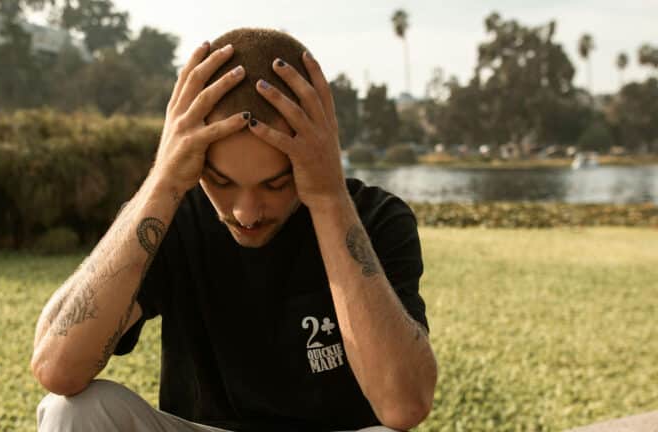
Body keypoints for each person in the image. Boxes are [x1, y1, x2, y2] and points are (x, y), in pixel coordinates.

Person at [31, 28, 437, 432]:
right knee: (75, 411)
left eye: (276, 184)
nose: (246, 213)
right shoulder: (172, 216)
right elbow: (56, 369)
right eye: (220, 182)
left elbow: (403, 407)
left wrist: (329, 198)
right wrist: (164, 181)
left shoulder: (377, 218)